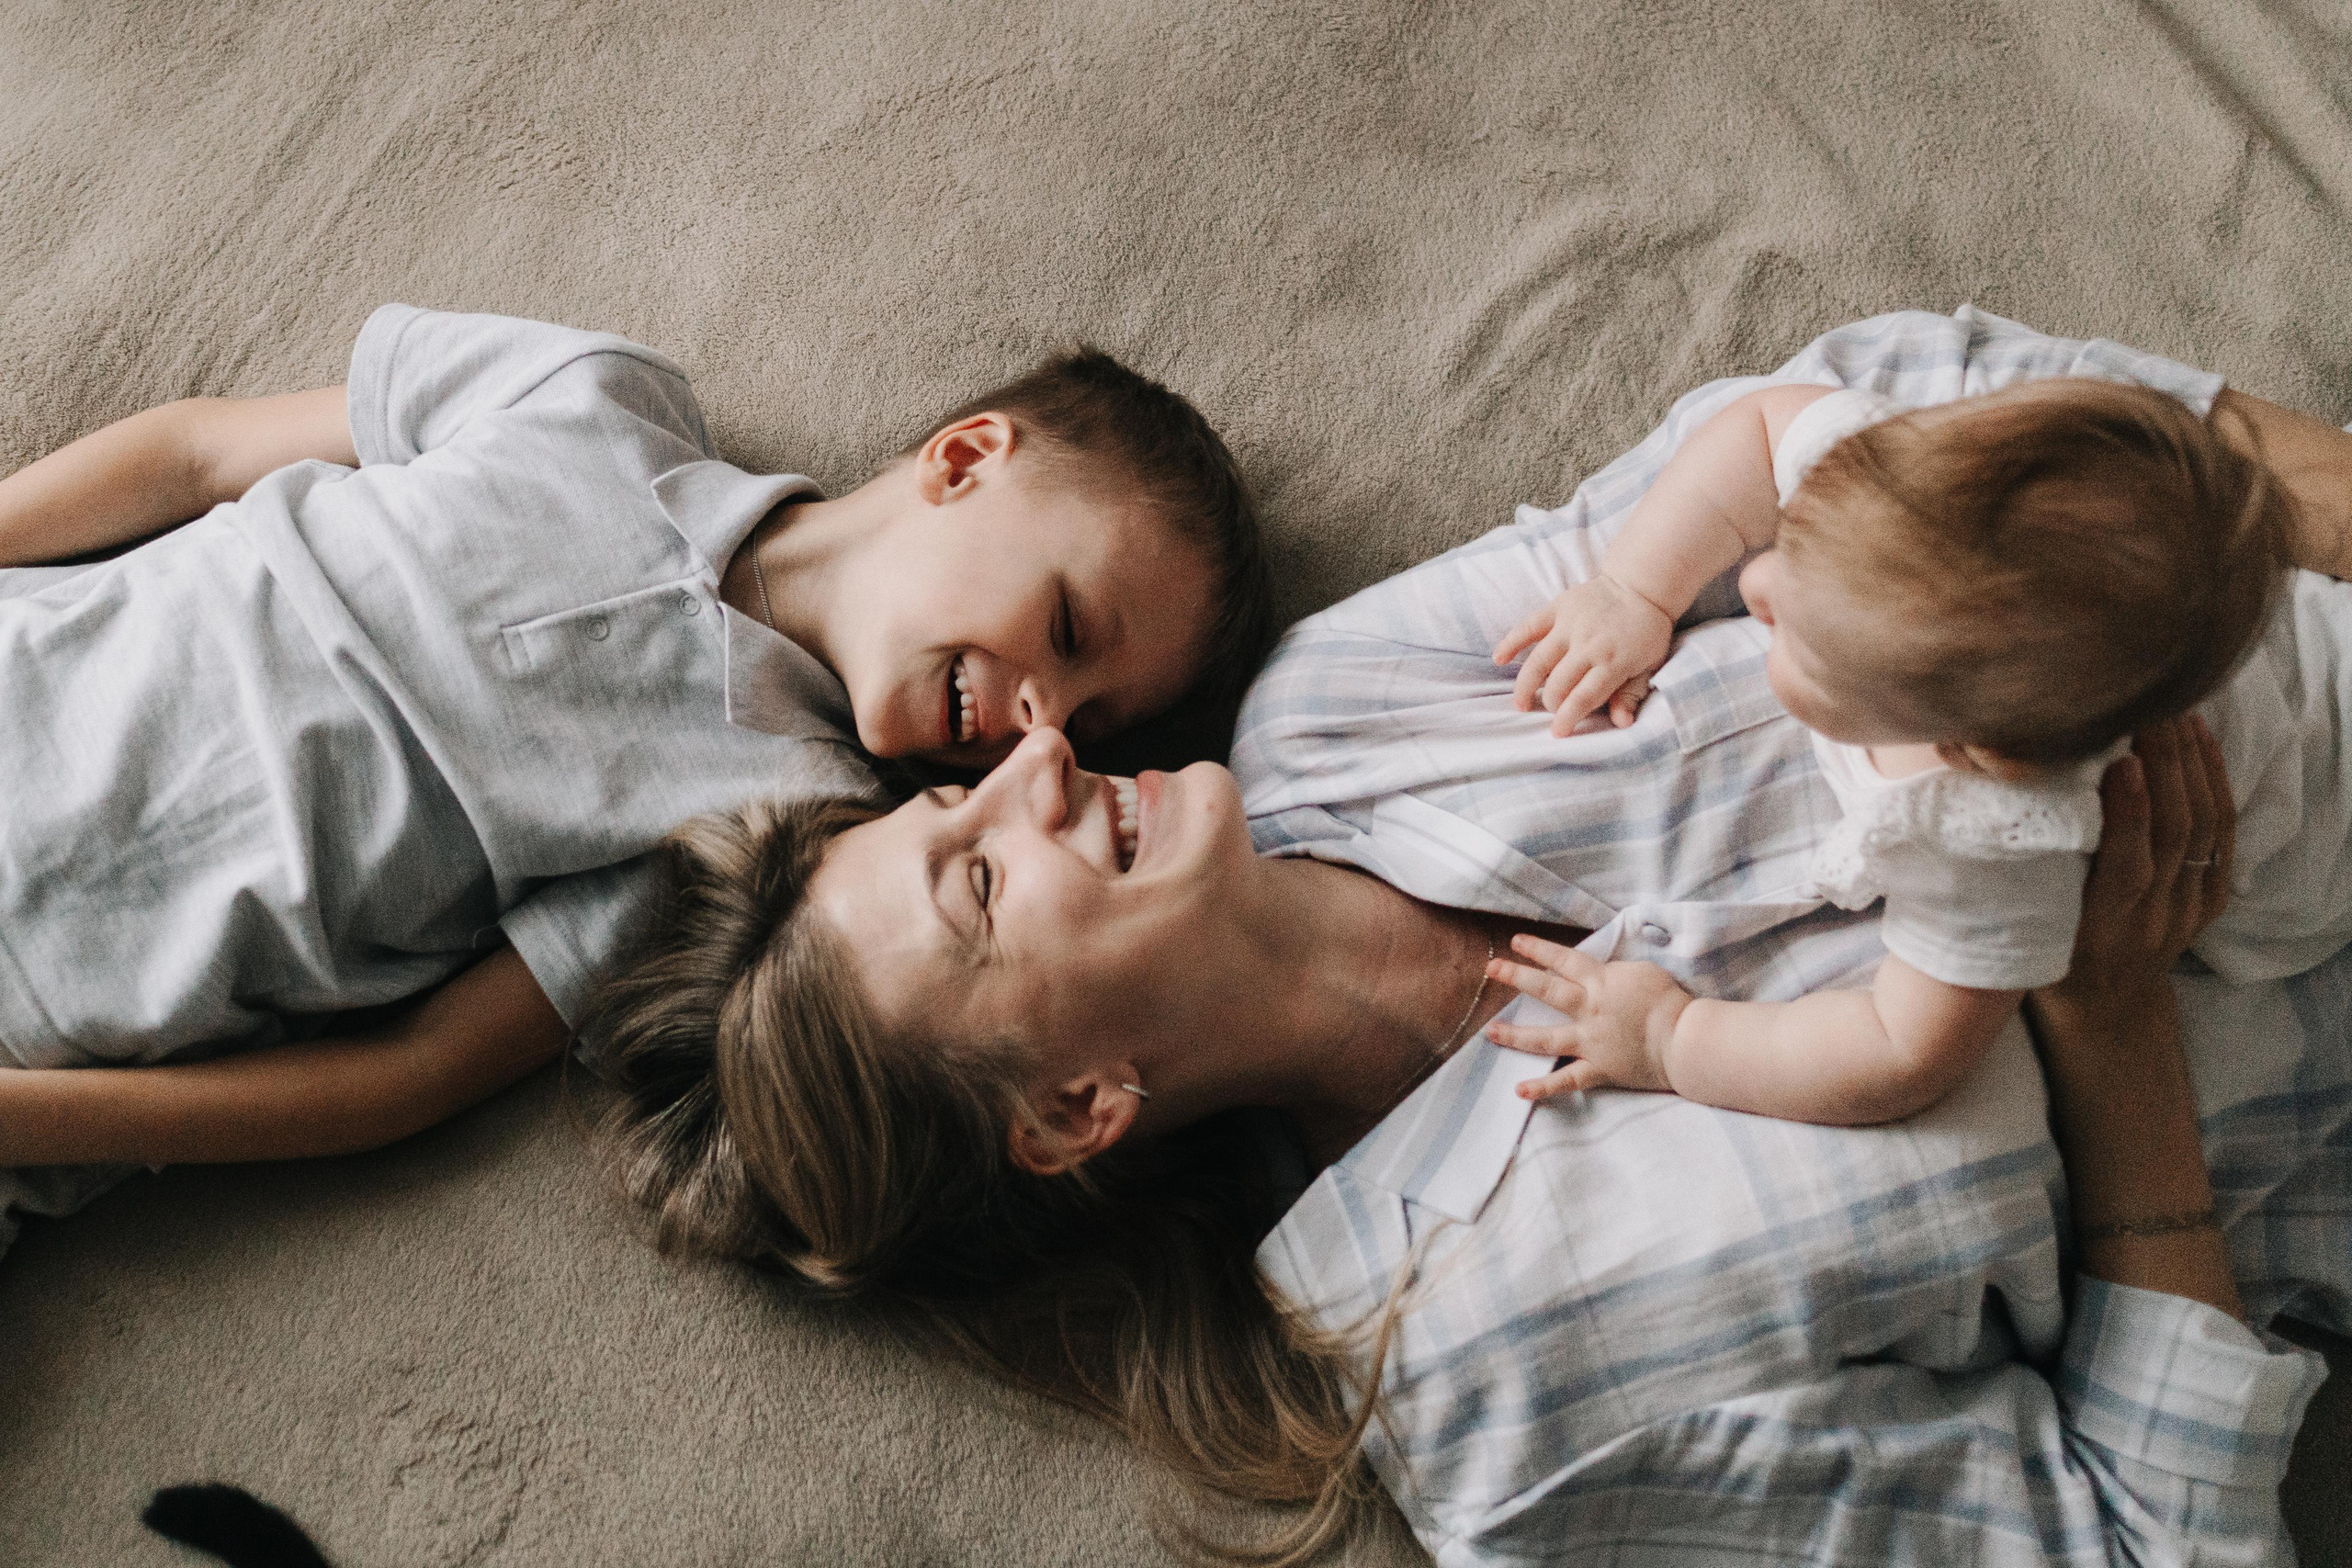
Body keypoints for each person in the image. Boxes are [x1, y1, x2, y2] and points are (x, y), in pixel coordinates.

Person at [590, 309, 2352, 1565]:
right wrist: (2111, 1032)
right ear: (1071, 1110)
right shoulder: (1497, 1398)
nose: (1039, 758)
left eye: (948, 803)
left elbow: (1846, 413)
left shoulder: (1339, 705)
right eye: (978, 880)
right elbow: (2152, 1534)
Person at [0, 304, 1270, 1251]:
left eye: (1096, 720)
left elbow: (416, 1069)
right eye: (1067, 628)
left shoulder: (784, 827)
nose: (1045, 728)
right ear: (964, 458)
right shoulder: (593, 396)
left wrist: (44, 1120)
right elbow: (192, 453)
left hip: (48, 1021)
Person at [1474, 369, 2352, 1127]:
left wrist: (1673, 1039)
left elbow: (1903, 1052)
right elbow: (1762, 426)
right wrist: (1633, 587)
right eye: (1799, 537)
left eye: (1804, 640)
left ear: (1971, 746)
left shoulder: (1996, 833)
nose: (1755, 579)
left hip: (2324, 812)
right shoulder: (1893, 495)